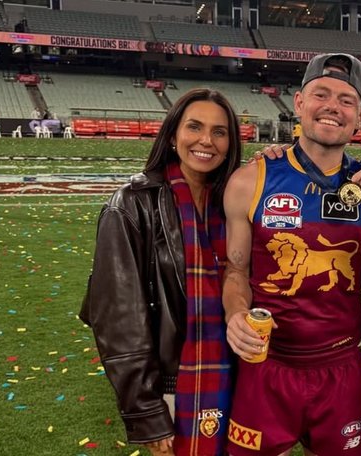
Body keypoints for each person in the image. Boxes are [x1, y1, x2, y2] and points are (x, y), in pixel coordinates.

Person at [222, 53, 361, 456]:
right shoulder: (251, 179)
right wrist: (235, 314)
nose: (332, 107)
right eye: (321, 94)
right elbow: (236, 270)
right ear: (299, 104)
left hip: (340, 369)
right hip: (267, 366)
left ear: (360, 116)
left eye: (345, 100)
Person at [81, 88, 243, 456]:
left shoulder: (237, 199)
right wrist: (147, 411)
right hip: (172, 386)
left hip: (238, 379)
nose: (207, 141)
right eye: (195, 127)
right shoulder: (131, 204)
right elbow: (118, 320)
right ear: (173, 135)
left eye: (220, 132)